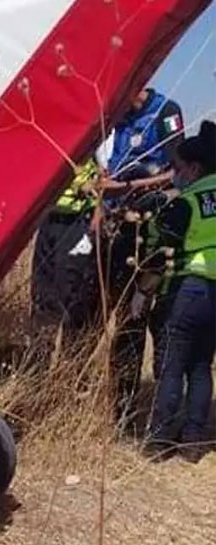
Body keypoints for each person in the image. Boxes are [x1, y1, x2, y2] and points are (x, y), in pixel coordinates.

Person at [95, 87, 184, 430]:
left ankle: (151, 415)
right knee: (118, 319)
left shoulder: (165, 112)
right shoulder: (116, 116)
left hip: (152, 230)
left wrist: (133, 186)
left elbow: (178, 173)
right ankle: (119, 408)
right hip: (118, 227)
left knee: (149, 321)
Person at [137, 120, 216, 463]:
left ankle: (159, 439)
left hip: (187, 289)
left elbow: (161, 252)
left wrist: (143, 292)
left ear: (194, 168)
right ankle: (194, 440)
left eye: (178, 168)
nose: (175, 175)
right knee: (200, 365)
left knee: (171, 365)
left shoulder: (188, 202)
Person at [31, 159, 101, 335]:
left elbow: (107, 173)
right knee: (42, 291)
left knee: (71, 294)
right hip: (50, 217)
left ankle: (74, 354)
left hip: (76, 220)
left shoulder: (93, 138)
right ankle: (39, 355)